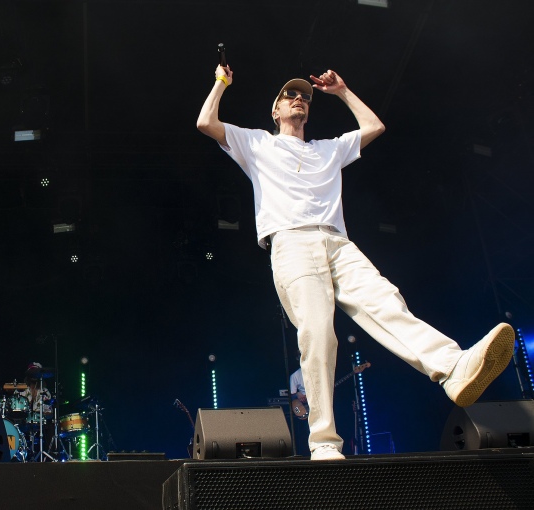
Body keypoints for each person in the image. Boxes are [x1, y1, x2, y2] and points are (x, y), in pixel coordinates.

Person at [196, 65, 515, 460]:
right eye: (290, 97)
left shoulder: (327, 148)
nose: (300, 100)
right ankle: (324, 442)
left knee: (387, 302)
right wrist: (221, 82)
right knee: (318, 334)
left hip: (339, 243)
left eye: (305, 98)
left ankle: (453, 368)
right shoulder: (257, 143)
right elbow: (206, 121)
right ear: (276, 112)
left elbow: (374, 125)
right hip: (291, 241)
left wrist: (343, 91)